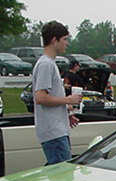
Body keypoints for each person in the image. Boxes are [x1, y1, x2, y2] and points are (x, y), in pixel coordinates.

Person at [32, 21, 81, 165]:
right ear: (54, 40)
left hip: (57, 130)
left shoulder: (49, 63)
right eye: (65, 39)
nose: (67, 43)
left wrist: (66, 113)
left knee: (60, 172)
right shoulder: (46, 64)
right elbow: (40, 97)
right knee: (62, 174)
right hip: (53, 133)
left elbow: (49, 97)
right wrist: (68, 100)